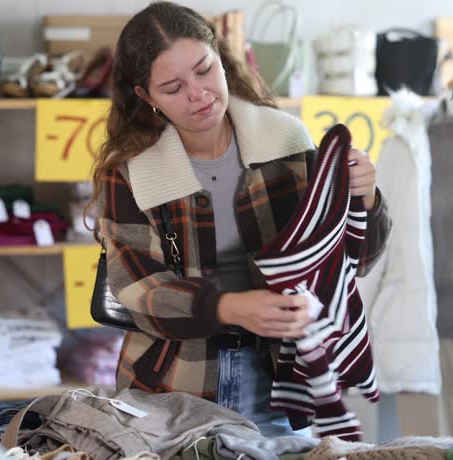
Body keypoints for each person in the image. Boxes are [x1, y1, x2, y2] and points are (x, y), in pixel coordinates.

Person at [89, 1, 391, 437]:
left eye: (204, 70)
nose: (198, 93)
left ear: (222, 57)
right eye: (172, 87)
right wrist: (228, 307)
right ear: (146, 97)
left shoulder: (287, 142)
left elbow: (349, 264)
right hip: (173, 387)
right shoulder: (133, 171)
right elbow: (138, 291)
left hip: (285, 379)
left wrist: (366, 199)